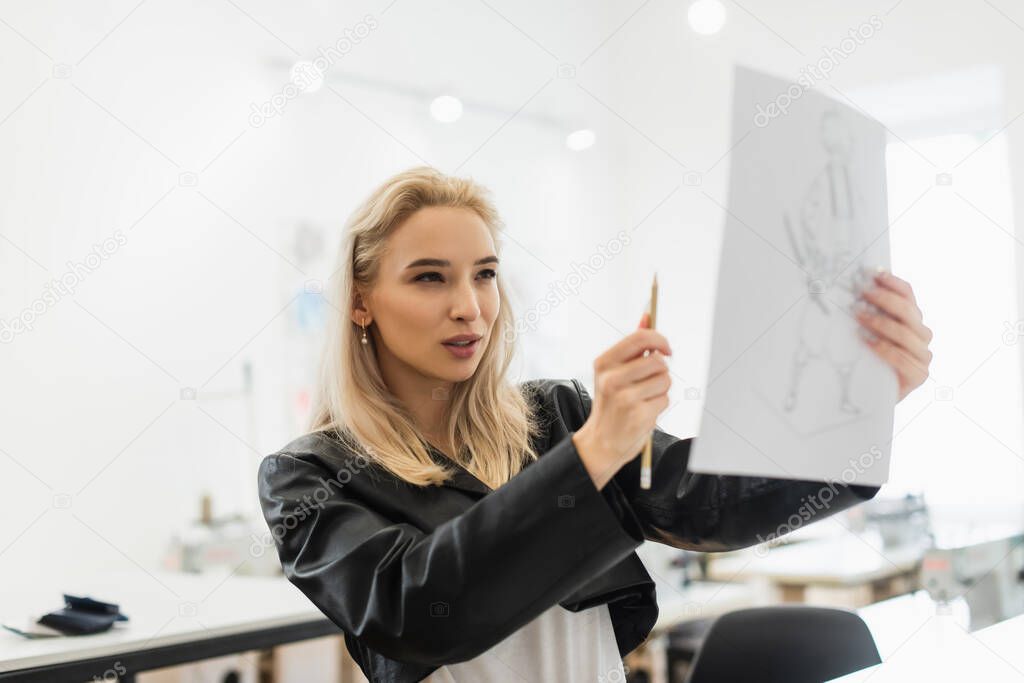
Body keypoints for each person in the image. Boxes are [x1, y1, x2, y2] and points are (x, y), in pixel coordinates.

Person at [257, 166, 933, 683]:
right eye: (431, 278)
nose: (470, 306)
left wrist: (856, 407)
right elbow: (416, 608)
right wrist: (594, 452)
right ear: (362, 303)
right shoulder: (306, 476)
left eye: (485, 274)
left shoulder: (554, 417)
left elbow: (708, 501)